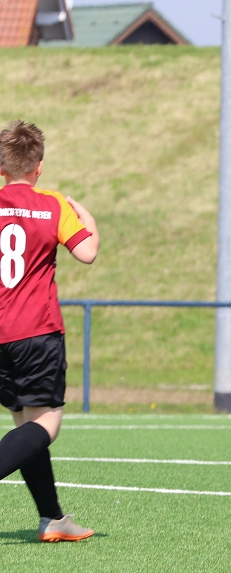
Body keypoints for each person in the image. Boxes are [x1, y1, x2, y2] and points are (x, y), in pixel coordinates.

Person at [0, 121, 100, 542]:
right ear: (38, 166)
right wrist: (86, 214)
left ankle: (53, 518)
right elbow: (88, 252)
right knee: (47, 426)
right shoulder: (53, 204)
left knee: (27, 422)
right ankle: (53, 518)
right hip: (37, 333)